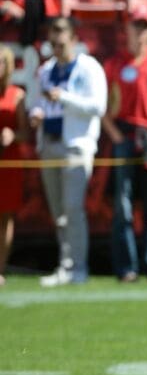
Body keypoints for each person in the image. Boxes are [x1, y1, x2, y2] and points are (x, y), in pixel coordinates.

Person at [26, 17, 107, 287]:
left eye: (61, 42)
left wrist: (65, 98)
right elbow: (37, 102)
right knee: (59, 211)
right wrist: (36, 113)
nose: (57, 47)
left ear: (73, 39)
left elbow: (98, 106)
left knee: (73, 208)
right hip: (49, 142)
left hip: (75, 144)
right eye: (53, 43)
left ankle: (78, 267)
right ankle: (65, 265)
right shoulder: (46, 70)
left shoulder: (89, 67)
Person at [102, 6, 147, 285]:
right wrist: (115, 135)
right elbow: (103, 108)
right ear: (126, 29)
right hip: (125, 137)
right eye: (135, 25)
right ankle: (127, 269)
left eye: (144, 26)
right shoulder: (114, 64)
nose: (139, 31)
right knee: (123, 207)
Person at [0, 45, 29, 287]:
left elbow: (25, 132)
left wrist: (12, 135)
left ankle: (0, 269)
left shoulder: (16, 95)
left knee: (5, 218)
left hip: (9, 162)